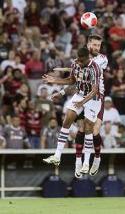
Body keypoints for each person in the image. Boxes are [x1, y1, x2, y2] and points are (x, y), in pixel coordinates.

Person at [51, 34, 108, 177]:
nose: (96, 48)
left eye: (98, 46)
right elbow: (77, 75)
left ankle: (97, 158)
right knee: (81, 127)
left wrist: (64, 69)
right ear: (88, 45)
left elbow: (84, 69)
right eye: (94, 45)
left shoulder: (102, 60)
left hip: (97, 97)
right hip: (83, 94)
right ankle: (78, 162)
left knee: (94, 131)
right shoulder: (80, 58)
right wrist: (62, 88)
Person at [42, 47, 101, 176]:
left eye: (81, 60)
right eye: (77, 60)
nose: (78, 63)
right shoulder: (75, 64)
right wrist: (55, 82)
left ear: (87, 58)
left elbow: (95, 90)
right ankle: (57, 155)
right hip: (79, 95)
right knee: (67, 120)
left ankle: (86, 162)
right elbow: (71, 81)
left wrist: (83, 102)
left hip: (93, 98)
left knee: (87, 127)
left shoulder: (95, 68)